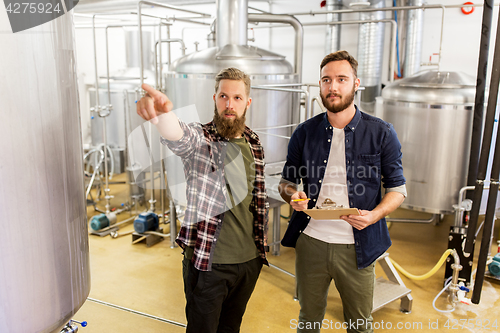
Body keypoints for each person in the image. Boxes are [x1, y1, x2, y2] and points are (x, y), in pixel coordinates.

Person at [278, 50, 406, 333]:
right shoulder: (304, 132)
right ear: (320, 84)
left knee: (359, 325)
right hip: (311, 242)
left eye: (341, 79)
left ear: (356, 83)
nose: (333, 87)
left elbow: (397, 189)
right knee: (308, 322)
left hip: (358, 246)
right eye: (326, 80)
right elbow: (286, 182)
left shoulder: (382, 133)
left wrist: (374, 216)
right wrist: (293, 196)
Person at [136, 67, 269, 333]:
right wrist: (163, 117)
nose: (229, 105)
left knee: (231, 327)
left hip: (248, 262)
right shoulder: (203, 139)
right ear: (215, 98)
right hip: (210, 262)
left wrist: (256, 256)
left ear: (247, 102)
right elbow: (180, 136)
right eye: (223, 96)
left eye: (237, 98)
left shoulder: (253, 143)